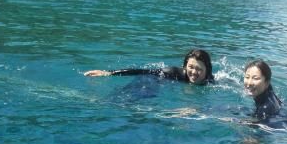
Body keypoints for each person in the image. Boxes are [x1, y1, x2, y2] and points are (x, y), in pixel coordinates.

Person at [84, 48, 215, 85]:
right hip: (157, 81)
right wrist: (108, 73)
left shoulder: (210, 81)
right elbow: (143, 71)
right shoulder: (172, 72)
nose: (194, 72)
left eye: (199, 69)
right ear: (185, 66)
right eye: (191, 67)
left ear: (207, 71)